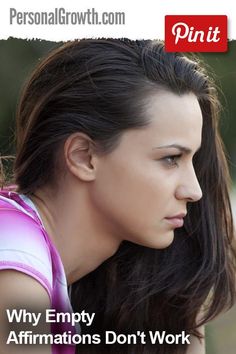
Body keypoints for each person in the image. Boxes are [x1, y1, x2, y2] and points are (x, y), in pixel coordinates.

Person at [0, 39, 235, 354]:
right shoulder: (14, 259)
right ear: (84, 157)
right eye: (170, 159)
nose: (193, 191)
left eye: (191, 160)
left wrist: (180, 304)